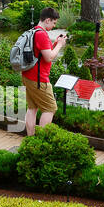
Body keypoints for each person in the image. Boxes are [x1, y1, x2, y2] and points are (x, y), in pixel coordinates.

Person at [20, 7, 67, 137]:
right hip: (39, 79)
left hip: (28, 75)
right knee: (50, 108)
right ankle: (41, 141)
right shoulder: (42, 34)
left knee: (32, 108)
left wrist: (55, 43)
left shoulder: (33, 31)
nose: (54, 26)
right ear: (47, 20)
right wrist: (60, 45)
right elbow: (49, 57)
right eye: (53, 23)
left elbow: (41, 54)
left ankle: (30, 139)